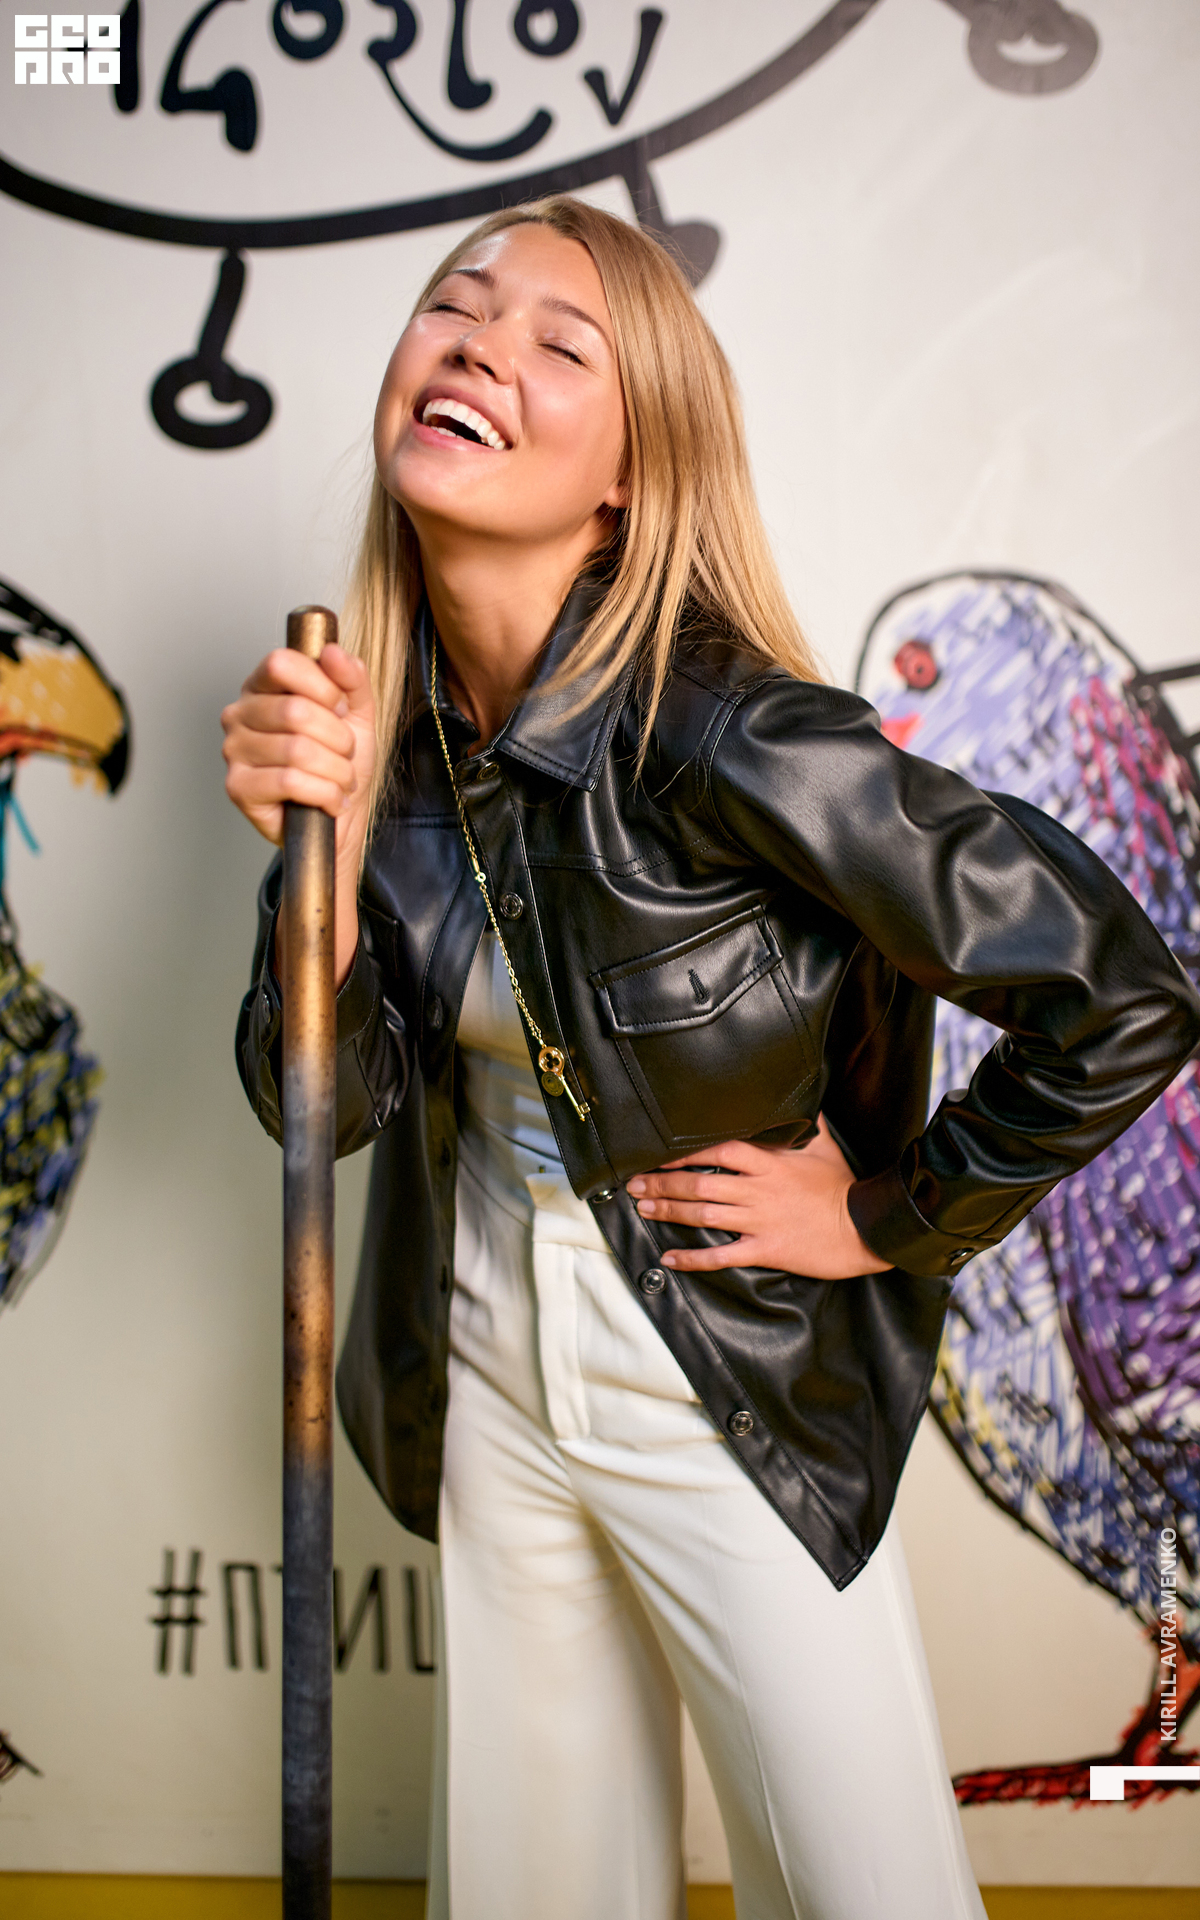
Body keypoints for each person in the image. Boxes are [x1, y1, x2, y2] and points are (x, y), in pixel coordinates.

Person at [222, 198, 1200, 1920]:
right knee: (527, 1889)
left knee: (858, 1887)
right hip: (480, 1352)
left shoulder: (735, 732)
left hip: (723, 1364)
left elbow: (1122, 992)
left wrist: (890, 1215)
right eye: (456, 306)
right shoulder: (385, 735)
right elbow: (322, 1108)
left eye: (557, 344)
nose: (479, 348)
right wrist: (326, 843)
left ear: (630, 470)